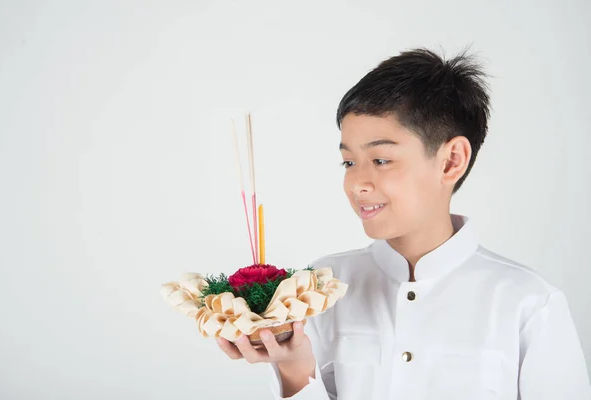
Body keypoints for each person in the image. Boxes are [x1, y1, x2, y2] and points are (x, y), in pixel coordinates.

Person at [216, 48, 591, 399]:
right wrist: (294, 369)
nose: (357, 183)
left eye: (381, 160)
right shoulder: (316, 291)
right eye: (348, 162)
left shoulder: (528, 304)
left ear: (451, 162)